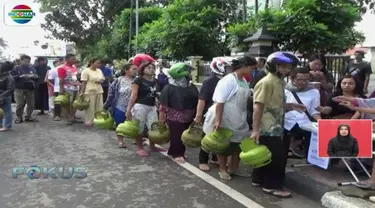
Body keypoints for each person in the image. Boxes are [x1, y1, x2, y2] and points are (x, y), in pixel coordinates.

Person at [251, 52, 305, 198]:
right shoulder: (266, 82)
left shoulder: (279, 82)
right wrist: (255, 130)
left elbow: (274, 103)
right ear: (273, 66)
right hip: (267, 127)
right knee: (276, 158)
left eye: (289, 67)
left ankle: (258, 179)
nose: (287, 70)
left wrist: (291, 105)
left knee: (265, 155)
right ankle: (271, 186)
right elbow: (258, 106)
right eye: (283, 66)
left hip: (275, 125)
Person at [203, 56, 258, 180]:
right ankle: (223, 169)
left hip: (239, 115)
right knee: (223, 144)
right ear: (244, 66)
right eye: (251, 68)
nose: (252, 71)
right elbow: (220, 102)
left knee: (238, 144)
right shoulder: (228, 80)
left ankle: (234, 168)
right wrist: (218, 121)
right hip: (226, 116)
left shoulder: (243, 80)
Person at [194, 57, 231, 171]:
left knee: (219, 136)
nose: (229, 70)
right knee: (207, 137)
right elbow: (202, 99)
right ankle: (203, 160)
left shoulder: (228, 80)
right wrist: (199, 115)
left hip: (224, 113)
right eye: (227, 68)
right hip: (210, 113)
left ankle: (215, 158)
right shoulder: (209, 81)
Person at [159, 63, 198, 163]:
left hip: (189, 115)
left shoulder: (191, 86)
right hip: (175, 116)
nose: (190, 75)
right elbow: (163, 105)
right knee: (176, 135)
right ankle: (177, 153)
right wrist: (162, 117)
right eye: (188, 73)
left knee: (184, 134)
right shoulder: (169, 87)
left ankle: (174, 151)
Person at [126, 58, 165, 157]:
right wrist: (128, 110)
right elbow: (133, 95)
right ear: (142, 69)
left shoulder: (155, 81)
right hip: (140, 106)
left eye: (152, 67)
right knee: (139, 128)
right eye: (148, 67)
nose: (151, 69)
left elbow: (157, 94)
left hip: (152, 107)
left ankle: (152, 145)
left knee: (153, 127)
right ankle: (140, 148)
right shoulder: (138, 80)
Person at [283, 67, 321, 158]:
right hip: (286, 122)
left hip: (304, 122)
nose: (304, 83)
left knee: (316, 132)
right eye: (300, 80)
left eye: (306, 80)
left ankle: (312, 158)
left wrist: (320, 121)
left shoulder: (314, 92)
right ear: (292, 78)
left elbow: (314, 111)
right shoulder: (284, 90)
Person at [104, 62, 138, 148]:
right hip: (119, 105)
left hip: (135, 106)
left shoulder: (138, 80)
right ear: (126, 70)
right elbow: (111, 94)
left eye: (136, 69)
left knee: (135, 123)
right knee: (120, 124)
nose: (136, 71)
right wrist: (106, 105)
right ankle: (120, 141)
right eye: (133, 69)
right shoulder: (118, 80)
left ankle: (135, 138)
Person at [11, 55, 39, 123]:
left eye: (28, 61)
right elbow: (11, 78)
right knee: (20, 104)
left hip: (29, 88)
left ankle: (28, 116)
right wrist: (20, 76)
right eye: (25, 61)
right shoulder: (16, 68)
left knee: (31, 104)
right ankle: (19, 117)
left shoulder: (31, 68)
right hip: (19, 88)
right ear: (21, 61)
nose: (27, 63)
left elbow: (37, 76)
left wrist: (33, 76)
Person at [80, 58, 105, 127]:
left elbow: (102, 79)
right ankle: (89, 121)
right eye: (97, 63)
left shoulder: (99, 71)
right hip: (89, 91)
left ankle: (98, 120)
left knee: (99, 106)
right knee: (90, 107)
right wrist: (82, 92)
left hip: (99, 90)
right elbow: (84, 82)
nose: (99, 64)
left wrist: (99, 81)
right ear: (91, 63)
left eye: (99, 63)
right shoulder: (86, 71)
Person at [57, 54, 80, 125]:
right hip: (67, 88)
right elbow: (61, 79)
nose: (75, 60)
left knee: (75, 104)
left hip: (75, 88)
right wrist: (61, 89)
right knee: (67, 104)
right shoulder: (62, 68)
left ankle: (73, 117)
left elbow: (75, 77)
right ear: (67, 59)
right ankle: (67, 119)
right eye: (73, 59)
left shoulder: (74, 67)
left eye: (75, 59)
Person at [0, 61, 15, 131]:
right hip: (2, 95)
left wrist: (2, 96)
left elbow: (10, 89)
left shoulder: (9, 77)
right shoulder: (2, 76)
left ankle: (7, 126)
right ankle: (1, 125)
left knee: (7, 111)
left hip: (5, 96)